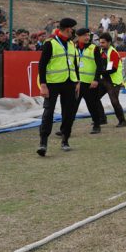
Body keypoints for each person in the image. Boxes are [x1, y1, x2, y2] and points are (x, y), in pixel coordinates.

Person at [36, 18, 80, 156]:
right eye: (72, 28)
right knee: (48, 112)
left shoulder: (72, 44)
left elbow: (74, 64)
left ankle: (65, 140)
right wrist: (43, 85)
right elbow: (42, 65)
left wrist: (77, 81)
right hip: (53, 83)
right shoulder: (50, 43)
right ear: (68, 29)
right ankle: (43, 143)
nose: (73, 31)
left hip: (69, 82)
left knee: (69, 112)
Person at [74, 27, 105, 134]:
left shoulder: (94, 48)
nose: (87, 37)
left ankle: (96, 125)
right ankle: (65, 128)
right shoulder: (73, 48)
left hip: (90, 83)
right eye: (84, 35)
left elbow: (100, 66)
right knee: (72, 106)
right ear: (78, 37)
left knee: (92, 105)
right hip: (77, 83)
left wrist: (96, 80)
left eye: (88, 35)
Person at [96, 33, 126, 127]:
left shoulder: (113, 52)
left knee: (114, 102)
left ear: (109, 42)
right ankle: (102, 119)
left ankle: (122, 121)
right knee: (95, 98)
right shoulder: (101, 51)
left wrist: (100, 72)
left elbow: (113, 68)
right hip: (104, 79)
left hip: (113, 81)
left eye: (103, 42)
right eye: (100, 42)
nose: (101, 44)